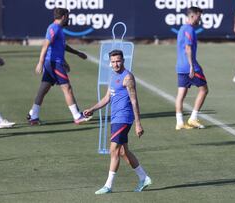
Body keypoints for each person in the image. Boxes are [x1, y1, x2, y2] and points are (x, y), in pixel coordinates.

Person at [84, 50, 151, 194]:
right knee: (122, 151)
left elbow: (134, 101)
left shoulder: (128, 77)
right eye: (113, 61)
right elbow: (107, 98)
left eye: (118, 61)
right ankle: (144, 177)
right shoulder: (113, 76)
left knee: (113, 150)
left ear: (123, 61)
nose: (116, 64)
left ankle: (108, 185)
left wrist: (138, 123)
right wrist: (92, 109)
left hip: (124, 118)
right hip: (115, 118)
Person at [27, 8, 89, 125]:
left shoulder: (59, 29)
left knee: (43, 89)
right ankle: (77, 116)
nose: (69, 18)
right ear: (64, 16)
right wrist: (40, 62)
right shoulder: (53, 28)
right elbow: (45, 46)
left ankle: (33, 115)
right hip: (53, 63)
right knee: (67, 88)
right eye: (68, 16)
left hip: (55, 62)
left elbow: (62, 46)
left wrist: (76, 53)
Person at [175, 7, 208, 130]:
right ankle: (193, 118)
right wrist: (192, 66)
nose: (200, 19)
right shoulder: (189, 29)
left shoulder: (182, 29)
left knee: (181, 94)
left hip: (180, 67)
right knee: (204, 90)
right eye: (199, 16)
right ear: (192, 16)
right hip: (189, 66)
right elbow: (188, 48)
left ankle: (179, 123)